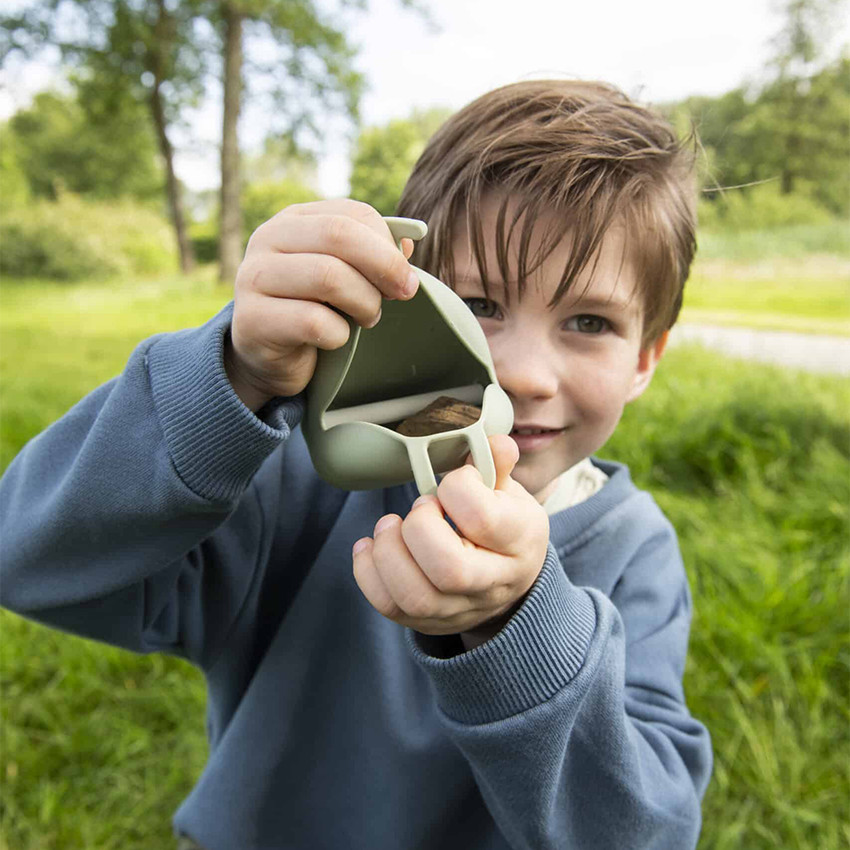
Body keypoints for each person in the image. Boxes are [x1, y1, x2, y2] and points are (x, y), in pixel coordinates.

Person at [0, 79, 712, 849]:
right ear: (404, 301)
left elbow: (640, 832)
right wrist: (233, 378)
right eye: (478, 307)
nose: (526, 374)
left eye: (588, 321)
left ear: (645, 359)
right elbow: (30, 556)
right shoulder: (296, 482)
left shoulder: (635, 553)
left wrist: (517, 624)